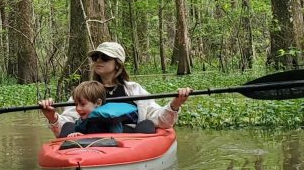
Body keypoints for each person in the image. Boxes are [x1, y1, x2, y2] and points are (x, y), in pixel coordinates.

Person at [40, 41, 192, 138]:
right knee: (68, 126)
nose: (98, 61)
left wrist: (175, 104)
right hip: (90, 141)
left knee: (147, 125)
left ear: (117, 64)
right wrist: (52, 117)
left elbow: (160, 119)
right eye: (96, 58)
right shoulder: (85, 91)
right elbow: (67, 124)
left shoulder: (134, 90)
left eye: (105, 58)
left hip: (127, 142)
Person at [64, 80, 138, 137]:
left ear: (98, 103)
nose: (78, 108)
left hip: (106, 148)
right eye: (76, 104)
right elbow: (82, 133)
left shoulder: (111, 120)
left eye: (83, 104)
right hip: (90, 148)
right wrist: (77, 134)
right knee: (68, 126)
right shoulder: (81, 121)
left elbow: (115, 139)